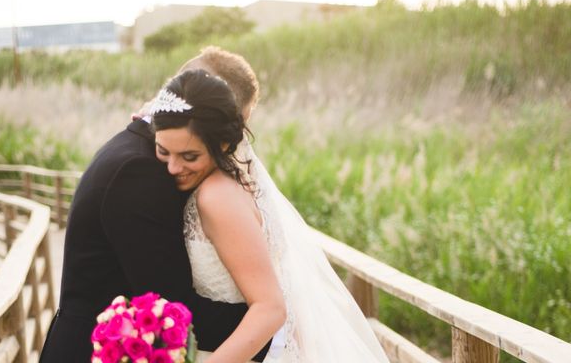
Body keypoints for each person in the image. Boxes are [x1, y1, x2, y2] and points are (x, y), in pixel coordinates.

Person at [39, 48, 273, 362]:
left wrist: (268, 316)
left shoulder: (145, 148)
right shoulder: (139, 171)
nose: (231, 137)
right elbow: (170, 304)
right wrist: (268, 330)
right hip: (94, 351)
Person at [150, 69, 390, 362]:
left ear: (223, 145)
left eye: (189, 157)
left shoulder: (216, 197)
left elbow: (271, 308)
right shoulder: (227, 182)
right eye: (163, 151)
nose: (173, 167)